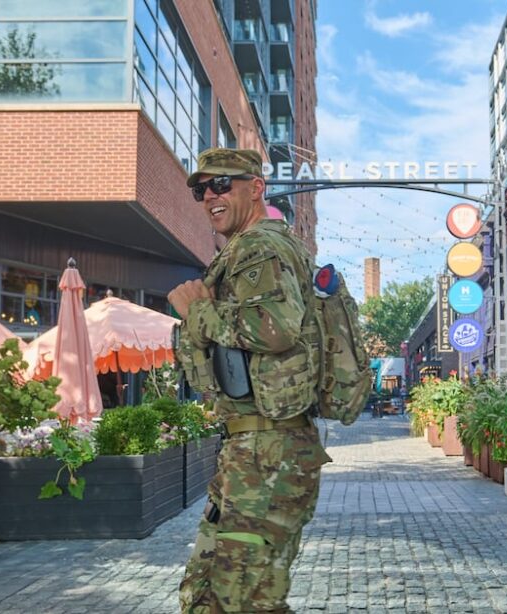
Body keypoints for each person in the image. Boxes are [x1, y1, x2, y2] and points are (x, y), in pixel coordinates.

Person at [169, 148, 330, 613]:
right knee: (208, 598)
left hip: (269, 453)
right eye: (201, 190)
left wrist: (197, 310)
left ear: (256, 188)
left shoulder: (261, 247)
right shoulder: (244, 250)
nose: (209, 197)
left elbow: (276, 328)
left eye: (222, 185)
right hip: (250, 450)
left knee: (242, 600)